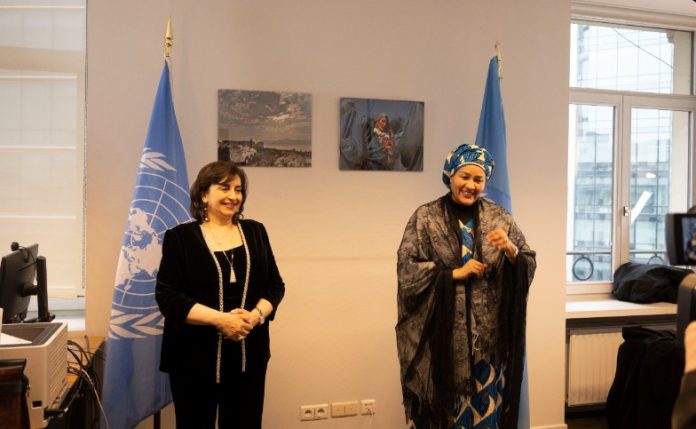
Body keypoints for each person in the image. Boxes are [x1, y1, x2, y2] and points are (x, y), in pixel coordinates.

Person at [396, 143, 536, 429]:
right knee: (443, 413)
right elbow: (407, 269)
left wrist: (511, 250)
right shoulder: (426, 217)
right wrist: (453, 274)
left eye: (478, 179)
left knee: (485, 413)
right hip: (442, 339)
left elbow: (528, 262)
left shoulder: (500, 217)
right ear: (450, 176)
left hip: (487, 340)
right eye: (465, 177)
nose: (471, 185)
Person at [155, 161, 285, 429]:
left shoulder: (256, 232)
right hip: (193, 360)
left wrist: (255, 316)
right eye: (224, 188)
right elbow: (168, 296)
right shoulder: (180, 238)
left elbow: (275, 285)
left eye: (238, 189)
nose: (233, 196)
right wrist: (221, 320)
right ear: (204, 193)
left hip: (249, 357)